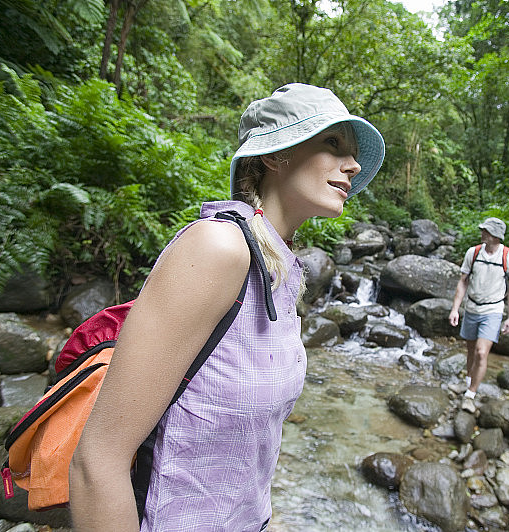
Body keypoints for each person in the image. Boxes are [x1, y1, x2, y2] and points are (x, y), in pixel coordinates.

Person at [68, 83, 385, 532]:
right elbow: (98, 460)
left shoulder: (280, 268)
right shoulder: (218, 248)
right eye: (333, 144)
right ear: (276, 156)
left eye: (351, 153)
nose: (352, 165)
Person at [448, 217, 509, 410]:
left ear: (497, 236)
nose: (482, 233)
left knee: (481, 352)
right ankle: (467, 383)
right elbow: (463, 282)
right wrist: (455, 309)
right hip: (472, 308)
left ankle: (470, 394)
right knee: (471, 351)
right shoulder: (473, 253)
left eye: (486, 231)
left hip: (493, 310)